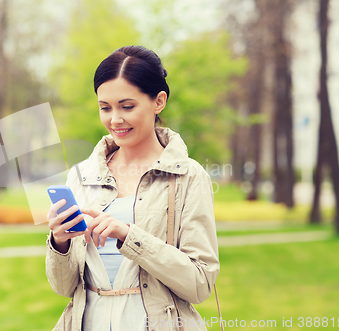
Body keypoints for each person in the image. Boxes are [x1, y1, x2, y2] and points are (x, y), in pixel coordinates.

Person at [46, 45, 219, 331]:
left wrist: (128, 235)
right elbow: (64, 288)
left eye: (127, 106)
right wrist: (59, 242)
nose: (115, 119)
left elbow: (200, 284)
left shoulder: (189, 176)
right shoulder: (81, 175)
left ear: (158, 101)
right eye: (105, 108)